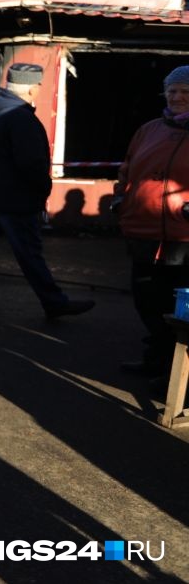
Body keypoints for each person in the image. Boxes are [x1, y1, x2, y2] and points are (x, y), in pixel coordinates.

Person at [0, 62, 93, 318]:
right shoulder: (20, 118)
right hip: (16, 199)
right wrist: (44, 188)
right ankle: (54, 302)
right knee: (29, 253)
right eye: (39, 86)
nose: (40, 89)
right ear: (30, 89)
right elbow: (31, 164)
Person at [112, 64, 189, 381]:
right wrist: (121, 197)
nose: (177, 97)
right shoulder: (149, 129)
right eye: (172, 90)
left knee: (179, 308)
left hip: (183, 236)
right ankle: (155, 358)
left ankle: (175, 373)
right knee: (146, 300)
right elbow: (127, 169)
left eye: (185, 92)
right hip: (142, 230)